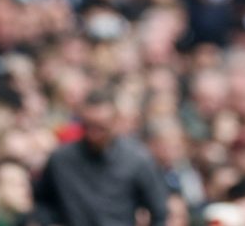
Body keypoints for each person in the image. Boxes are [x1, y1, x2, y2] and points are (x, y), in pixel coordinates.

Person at [34, 89, 168, 226]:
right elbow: (42, 201)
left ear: (115, 122)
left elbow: (159, 211)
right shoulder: (61, 160)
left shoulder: (137, 160)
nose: (93, 134)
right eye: (88, 126)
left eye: (101, 127)